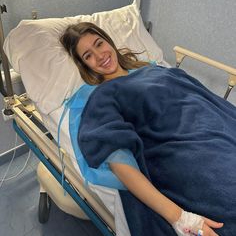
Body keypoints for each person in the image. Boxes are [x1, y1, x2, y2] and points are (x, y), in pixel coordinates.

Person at [60, 22, 236, 236]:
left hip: (216, 127)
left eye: (99, 44)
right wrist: (180, 217)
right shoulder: (102, 97)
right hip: (187, 153)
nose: (100, 56)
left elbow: (199, 95)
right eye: (88, 55)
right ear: (84, 65)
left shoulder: (154, 69)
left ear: (109, 41)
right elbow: (117, 160)